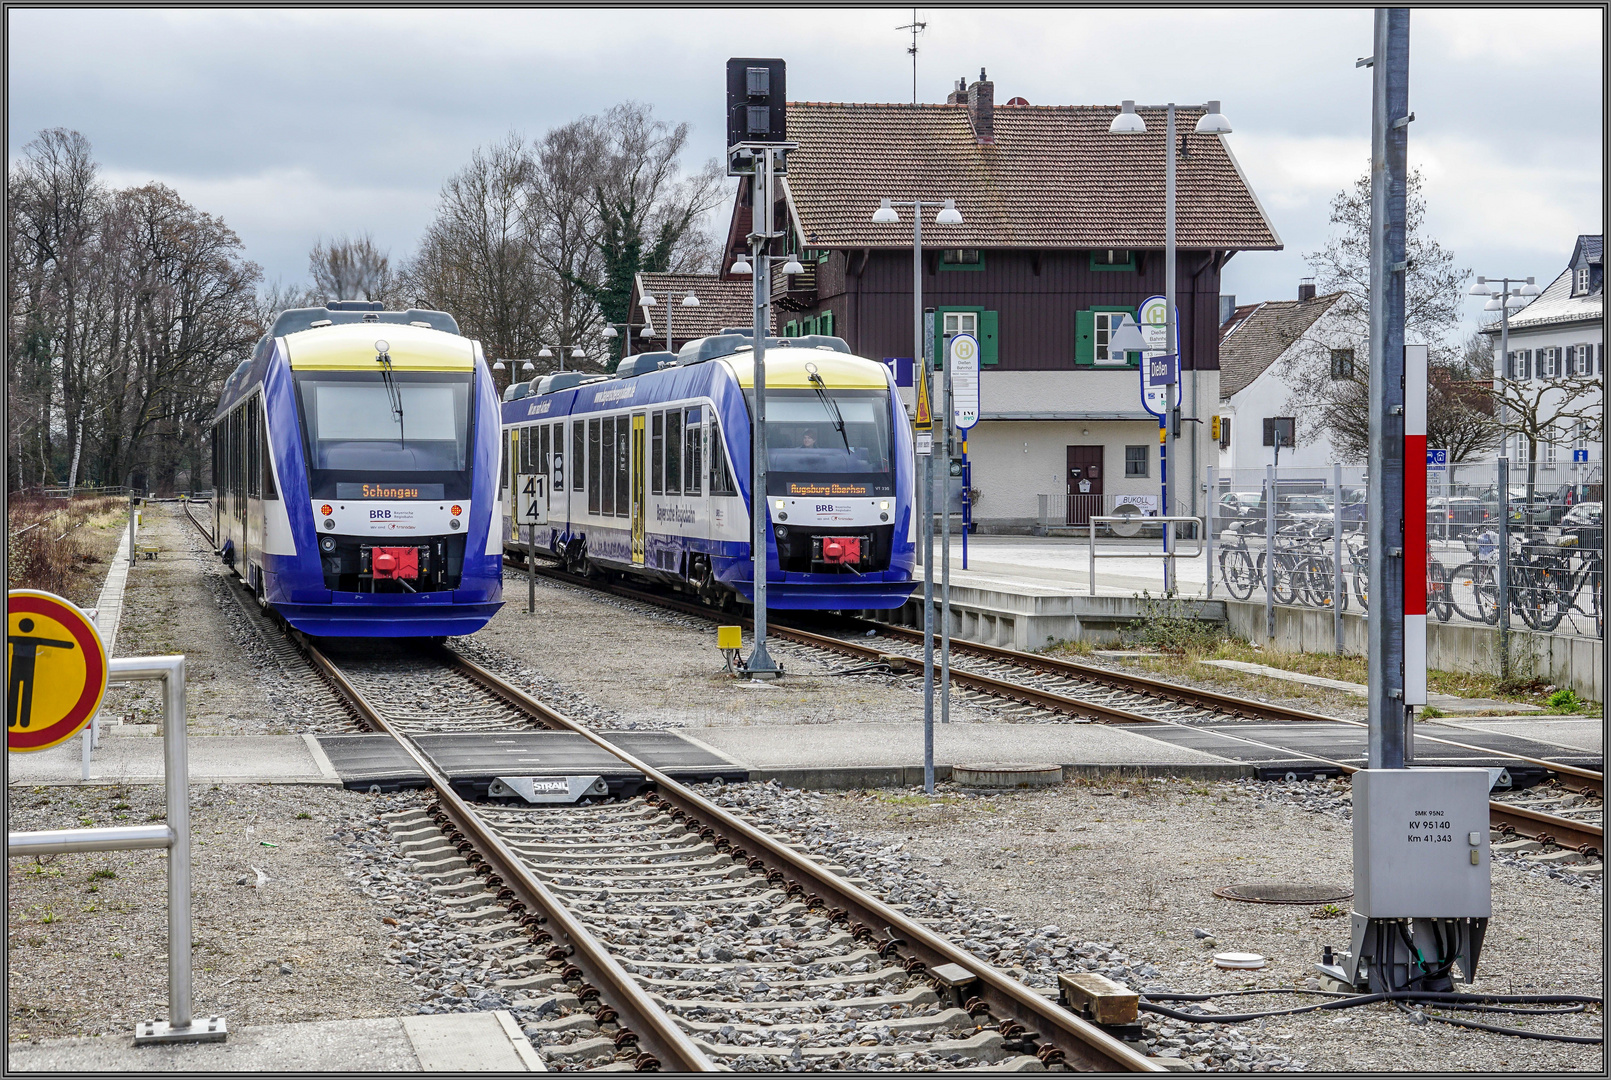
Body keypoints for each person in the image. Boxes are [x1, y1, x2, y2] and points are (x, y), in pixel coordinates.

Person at [8, 617, 76, 730]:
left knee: (14, 693)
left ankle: (12, 721)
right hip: (29, 668)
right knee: (26, 694)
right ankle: (24, 721)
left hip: (16, 668)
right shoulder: (35, 639)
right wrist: (71, 645)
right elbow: (57, 643)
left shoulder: (15, 637)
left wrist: (70, 645)